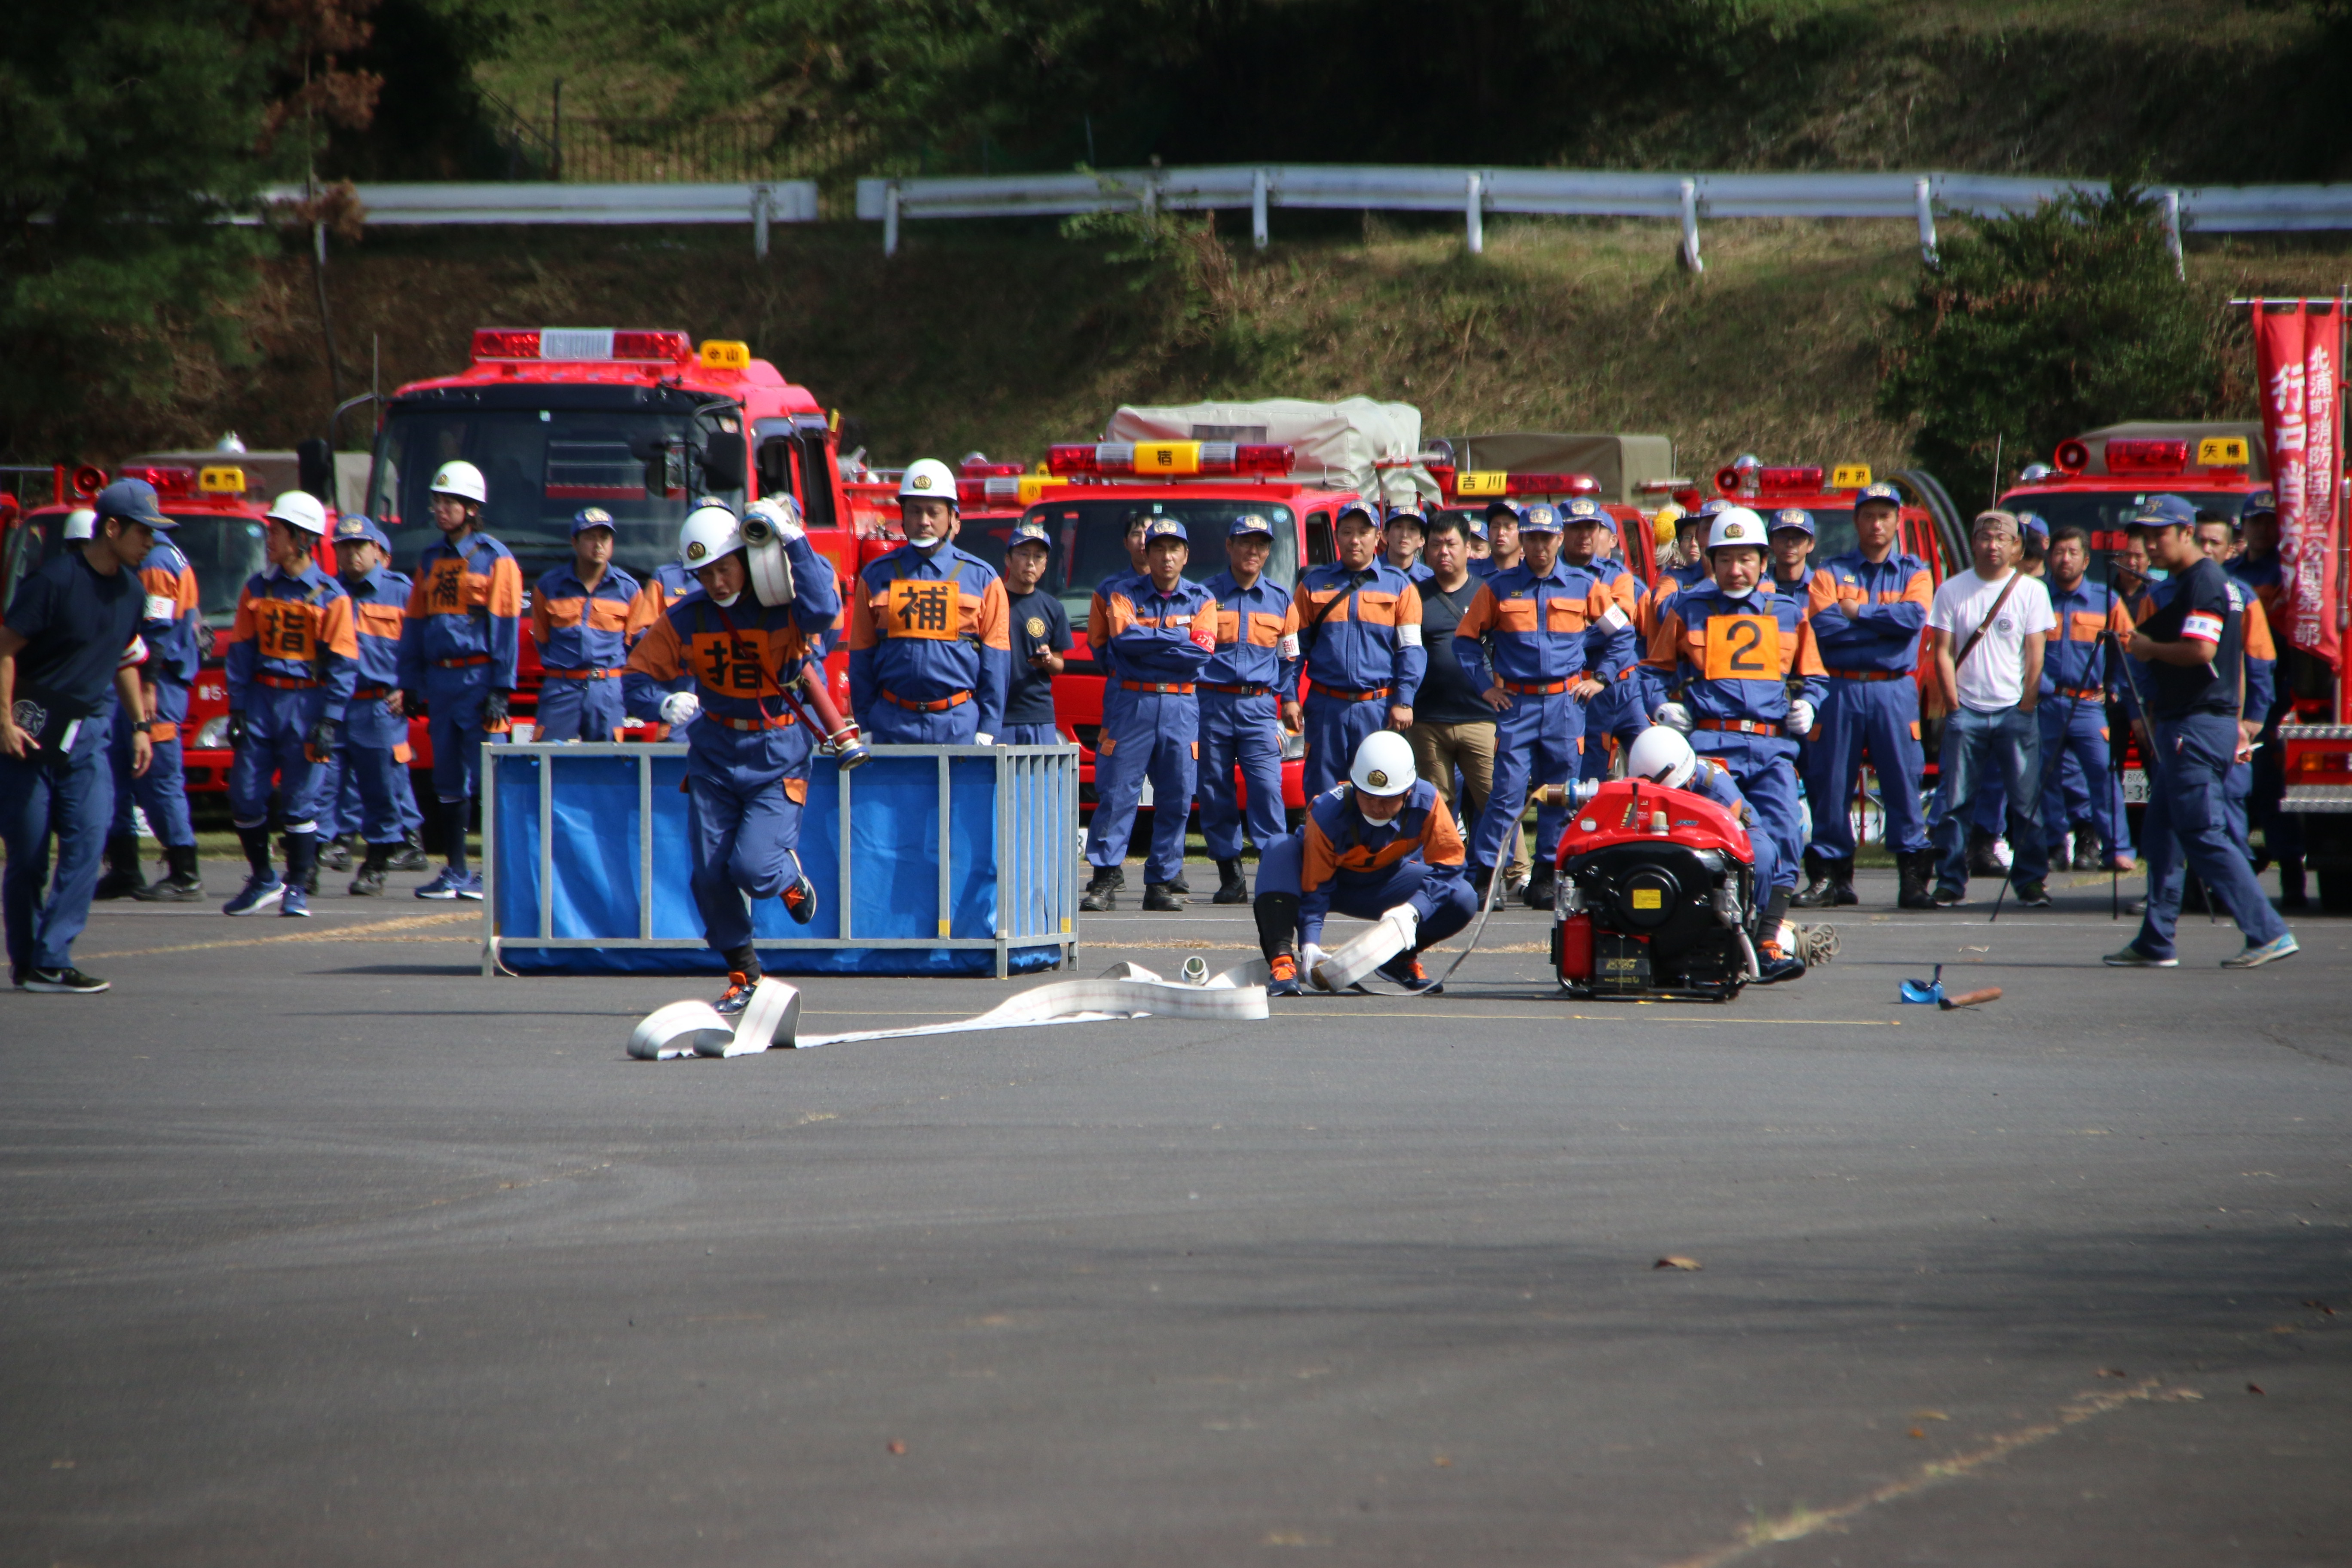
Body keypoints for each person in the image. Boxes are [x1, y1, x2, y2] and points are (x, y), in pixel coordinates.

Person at [623, 501, 840, 1011]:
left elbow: (824, 611)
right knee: (710, 873)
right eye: (704, 573)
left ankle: (786, 880)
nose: (716, 581)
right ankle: (744, 974)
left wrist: (794, 540)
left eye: (724, 567)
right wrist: (661, 701)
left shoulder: (783, 605)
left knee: (754, 867)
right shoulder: (686, 617)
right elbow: (634, 676)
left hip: (778, 752)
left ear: (746, 556)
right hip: (714, 754)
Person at [2105, 496, 2297, 968]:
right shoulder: (2193, 581)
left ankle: (2267, 930)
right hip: (2185, 721)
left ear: (2186, 533)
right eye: (2145, 535)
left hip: (2196, 722)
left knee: (2202, 832)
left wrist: (2148, 648)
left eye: (2160, 534)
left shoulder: (2205, 581)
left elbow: (2201, 651)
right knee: (2161, 834)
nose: (2150, 544)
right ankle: (2156, 939)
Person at [0, 478, 164, 992]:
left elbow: (125, 659)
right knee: (27, 855)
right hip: (28, 734)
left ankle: (53, 956)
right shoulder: (54, 582)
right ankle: (27, 960)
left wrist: (139, 726)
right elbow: (4, 648)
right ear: (111, 528)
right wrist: (3, 720)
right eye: (144, 532)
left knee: (89, 840)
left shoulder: (133, 591)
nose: (150, 543)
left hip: (89, 734)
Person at [1642, 506, 1823, 969]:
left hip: (1771, 750)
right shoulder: (1688, 609)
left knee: (1785, 837)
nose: (1736, 569)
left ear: (1764, 562)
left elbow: (1815, 676)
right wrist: (1664, 707)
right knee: (1713, 843)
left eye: (1746, 559)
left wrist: (1810, 704)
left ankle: (1765, 942)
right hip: (1710, 748)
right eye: (1725, 559)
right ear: (1710, 561)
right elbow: (1654, 673)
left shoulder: (1788, 611)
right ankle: (1708, 940)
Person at [1456, 501, 1636, 908]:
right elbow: (1466, 640)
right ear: (1522, 540)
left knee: (1561, 791)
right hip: (1516, 705)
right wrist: (1485, 687)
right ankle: (1488, 877)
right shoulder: (1498, 588)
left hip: (1566, 705)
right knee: (1506, 793)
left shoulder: (1585, 586)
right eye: (1531, 538)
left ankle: (1546, 876)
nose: (1539, 547)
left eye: (1546, 538)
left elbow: (1622, 635)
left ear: (1559, 539)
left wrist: (1600, 679)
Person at [1253, 730, 1478, 996]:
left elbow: (1450, 866)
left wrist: (1414, 910)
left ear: (1408, 792)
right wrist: (1309, 945)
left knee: (1463, 897)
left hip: (1384, 884)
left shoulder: (1428, 802)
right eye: (1368, 797)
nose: (1377, 808)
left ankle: (1399, 959)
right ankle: (1282, 965)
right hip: (1322, 884)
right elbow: (1316, 886)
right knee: (1279, 846)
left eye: (1388, 799)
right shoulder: (1327, 812)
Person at [220, 491, 358, 918]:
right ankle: (263, 878)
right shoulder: (256, 589)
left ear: (301, 538)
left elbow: (344, 664)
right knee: (245, 796)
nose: (270, 539)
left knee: (301, 803)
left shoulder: (333, 596)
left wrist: (330, 720)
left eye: (277, 532)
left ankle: (297, 886)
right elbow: (240, 651)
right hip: (262, 700)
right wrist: (238, 709)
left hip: (307, 704)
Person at [1799, 481, 1935, 909]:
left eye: (1885, 516)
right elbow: (1825, 628)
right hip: (1838, 688)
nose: (1877, 524)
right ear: (1857, 520)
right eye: (1869, 515)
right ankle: (1832, 878)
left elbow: (1913, 618)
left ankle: (1912, 880)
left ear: (1897, 521)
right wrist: (1885, 627)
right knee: (1831, 782)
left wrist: (1858, 613)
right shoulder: (1829, 573)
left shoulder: (1916, 572)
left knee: (1902, 782)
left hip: (1893, 690)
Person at [398, 459, 521, 900]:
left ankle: (496, 872)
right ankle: (455, 871)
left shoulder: (496, 559)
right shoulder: (430, 560)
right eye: (437, 501)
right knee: (447, 781)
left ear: (472, 508)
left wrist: (502, 690)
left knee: (491, 778)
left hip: (480, 679)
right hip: (443, 683)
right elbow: (414, 622)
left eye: (451, 501)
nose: (441, 508)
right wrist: (410, 681)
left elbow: (505, 625)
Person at [1079, 518, 1217, 912]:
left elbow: (1203, 650)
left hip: (1181, 706)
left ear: (1186, 555)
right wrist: (1178, 638)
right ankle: (1104, 879)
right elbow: (1121, 640)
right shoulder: (1121, 593)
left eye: (1175, 549)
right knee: (1118, 791)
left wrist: (1149, 640)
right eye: (1158, 548)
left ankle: (1161, 881)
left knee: (1176, 796)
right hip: (1131, 704)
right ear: (1147, 553)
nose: (1167, 556)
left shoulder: (1203, 599)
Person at [1921, 510, 2055, 907]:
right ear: (1974, 543)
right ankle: (1949, 880)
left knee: (2025, 803)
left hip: (2016, 711)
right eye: (1985, 538)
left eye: (2002, 539)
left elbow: (2036, 654)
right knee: (1954, 803)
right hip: (1967, 711)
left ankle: (2031, 881)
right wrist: (1954, 706)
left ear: (2017, 547)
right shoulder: (1951, 590)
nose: (1992, 545)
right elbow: (1942, 654)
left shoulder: (2032, 591)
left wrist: (2027, 703)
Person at [1406, 512, 1530, 899]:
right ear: (1426, 550)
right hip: (1428, 719)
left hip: (1482, 719)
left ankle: (1517, 873)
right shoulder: (1415, 595)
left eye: (1452, 544)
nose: (1444, 552)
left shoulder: (1489, 591)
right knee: (1435, 803)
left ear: (1468, 548)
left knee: (1498, 798)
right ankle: (1443, 872)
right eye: (1436, 545)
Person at [847, 458, 1010, 745]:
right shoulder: (875, 575)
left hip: (959, 726)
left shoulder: (984, 579)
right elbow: (862, 654)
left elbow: (996, 661)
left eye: (934, 512)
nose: (924, 521)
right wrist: (865, 721)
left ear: (952, 517)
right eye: (915, 511)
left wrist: (989, 726)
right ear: (903, 516)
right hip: (891, 725)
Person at [1621, 724, 1801, 982]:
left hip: (1720, 842)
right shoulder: (1637, 788)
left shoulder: (1716, 787)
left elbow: (1728, 840)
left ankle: (1760, 943)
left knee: (1762, 855)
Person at [94, 494, 203, 902]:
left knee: (159, 778)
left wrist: (149, 686)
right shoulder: (162, 556)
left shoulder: (157, 561)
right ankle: (124, 868)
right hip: (134, 681)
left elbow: (156, 632)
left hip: (152, 683)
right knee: (117, 772)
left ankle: (185, 871)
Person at [1285, 502, 1424, 796]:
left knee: (1379, 789)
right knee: (1321, 794)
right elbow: (1294, 650)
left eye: (1364, 532)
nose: (1355, 539)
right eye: (1347, 532)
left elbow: (1411, 652)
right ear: (1337, 537)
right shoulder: (1313, 585)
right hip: (1326, 708)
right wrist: (1289, 697)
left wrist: (1405, 701)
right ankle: (1323, 843)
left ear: (1378, 538)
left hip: (1379, 708)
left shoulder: (1400, 587)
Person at [1197, 513, 1300, 904]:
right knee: (1213, 789)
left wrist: (1289, 699)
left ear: (1269, 551)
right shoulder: (1204, 595)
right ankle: (1231, 875)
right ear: (1229, 547)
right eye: (1244, 542)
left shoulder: (1281, 599)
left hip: (1260, 707)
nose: (1252, 551)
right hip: (1211, 703)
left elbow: (1290, 659)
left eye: (1260, 545)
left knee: (1266, 789)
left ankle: (1273, 874)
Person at [323, 516, 417, 896]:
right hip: (335, 706)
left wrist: (411, 688)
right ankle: (311, 861)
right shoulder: (328, 592)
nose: (352, 554)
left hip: (380, 708)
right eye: (344, 547)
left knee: (380, 789)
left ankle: (376, 863)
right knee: (322, 786)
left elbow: (420, 645)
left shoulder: (401, 592)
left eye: (359, 546)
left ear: (377, 550)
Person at [2035, 525, 2137, 879]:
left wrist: (2117, 688)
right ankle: (2054, 847)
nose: (2065, 560)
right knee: (2044, 778)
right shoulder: (2036, 596)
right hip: (2045, 703)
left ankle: (2116, 849)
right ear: (2050, 558)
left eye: (2072, 553)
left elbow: (2129, 649)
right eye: (2059, 553)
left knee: (2104, 777)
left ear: (2086, 559)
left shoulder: (2106, 599)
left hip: (2089, 706)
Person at [2228, 491, 2300, 906]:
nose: (2263, 529)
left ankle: (2291, 878)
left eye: (2271, 521)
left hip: (2276, 693)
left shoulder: (2289, 574)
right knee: (2240, 791)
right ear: (2244, 527)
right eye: (2255, 521)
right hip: (2235, 694)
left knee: (2274, 792)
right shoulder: (2228, 574)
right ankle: (2241, 873)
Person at [531, 506, 643, 744]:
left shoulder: (629, 590)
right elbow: (542, 640)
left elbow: (636, 646)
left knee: (609, 767)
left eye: (604, 538)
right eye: (590, 537)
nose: (598, 545)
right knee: (547, 764)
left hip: (608, 691)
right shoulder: (549, 586)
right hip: (561, 688)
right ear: (575, 542)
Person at [1565, 503, 1652, 784]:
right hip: (1585, 690)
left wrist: (1572, 636)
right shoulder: (1553, 577)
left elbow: (1620, 625)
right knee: (1590, 776)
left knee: (1653, 759)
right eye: (1576, 528)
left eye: (1591, 528)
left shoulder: (1618, 575)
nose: (1585, 535)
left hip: (1626, 687)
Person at [998, 518, 1071, 746]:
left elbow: (1059, 665)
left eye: (1038, 557)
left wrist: (1048, 659)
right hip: (997, 713)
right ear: (1008, 559)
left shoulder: (1053, 608)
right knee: (999, 781)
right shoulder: (991, 600)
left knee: (1039, 782)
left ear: (1046, 564)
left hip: (1038, 714)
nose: (1031, 562)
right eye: (1024, 554)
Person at [1767, 507, 1816, 599]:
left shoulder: (1823, 587)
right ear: (1771, 542)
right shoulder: (1757, 586)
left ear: (1811, 545)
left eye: (1798, 538)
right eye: (1782, 537)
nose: (1790, 544)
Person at [1472, 500, 1521, 580]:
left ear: (1523, 535)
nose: (1501, 533)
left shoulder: (1532, 576)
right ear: (1488, 534)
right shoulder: (1469, 573)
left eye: (1508, 527)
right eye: (1495, 527)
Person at [1383, 505, 1432, 582]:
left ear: (1422, 541)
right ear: (1386, 535)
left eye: (1412, 529)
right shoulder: (1368, 574)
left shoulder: (1429, 580)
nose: (1405, 535)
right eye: (1398, 527)